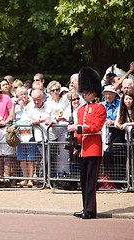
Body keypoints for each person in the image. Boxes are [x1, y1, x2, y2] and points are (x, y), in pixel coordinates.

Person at [68, 67, 106, 219]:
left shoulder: (100, 108)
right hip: (83, 148)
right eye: (83, 92)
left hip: (93, 148)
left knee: (91, 181)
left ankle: (89, 210)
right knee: (83, 180)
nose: (84, 95)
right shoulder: (81, 109)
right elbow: (79, 132)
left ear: (94, 92)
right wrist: (76, 145)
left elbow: (96, 127)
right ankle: (87, 208)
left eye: (86, 92)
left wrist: (77, 127)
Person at [13, 87, 37, 187]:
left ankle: (31, 179)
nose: (23, 96)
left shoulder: (31, 106)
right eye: (21, 94)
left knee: (30, 158)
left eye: (25, 94)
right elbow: (12, 118)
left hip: (30, 135)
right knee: (22, 158)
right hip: (20, 136)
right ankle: (25, 178)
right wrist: (14, 107)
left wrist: (24, 109)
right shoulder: (16, 107)